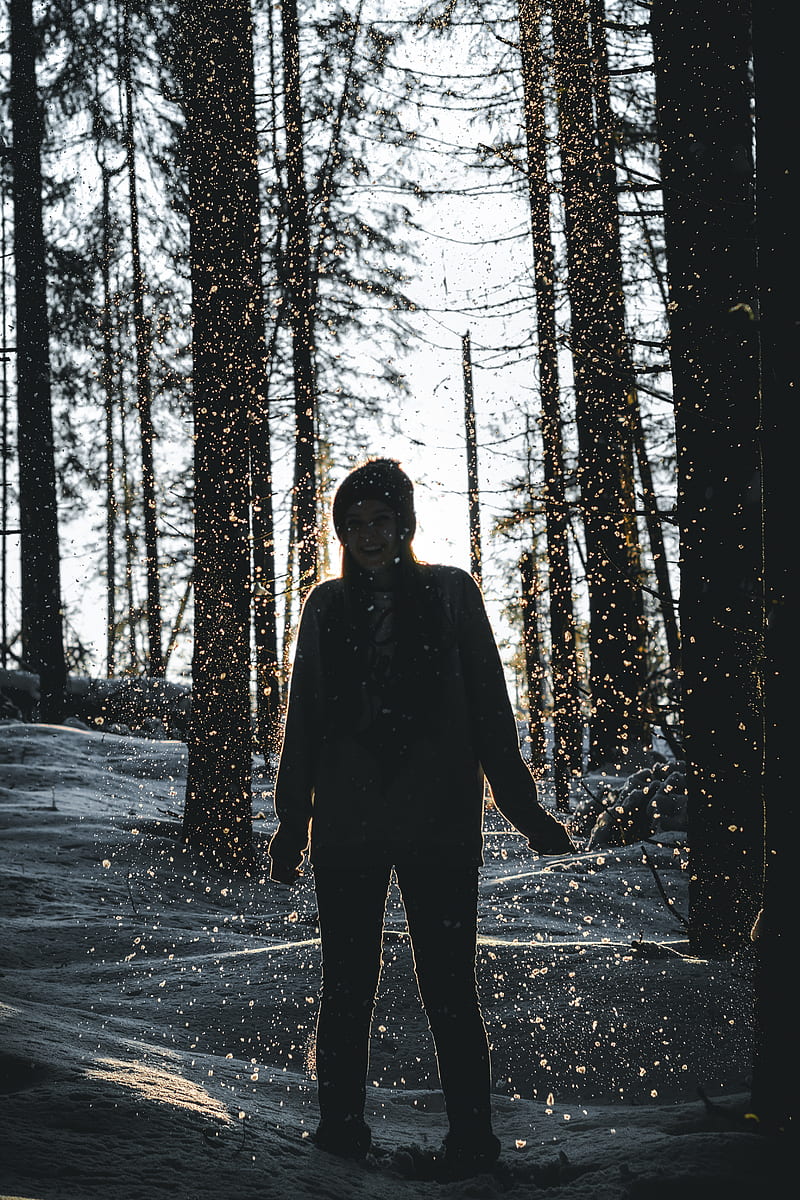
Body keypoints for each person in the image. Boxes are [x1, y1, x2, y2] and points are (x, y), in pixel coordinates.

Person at [268, 458, 573, 1180]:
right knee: (346, 981)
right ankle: (340, 1130)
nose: (368, 535)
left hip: (439, 827)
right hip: (346, 831)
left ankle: (472, 1139)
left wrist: (526, 810)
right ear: (341, 531)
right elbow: (304, 721)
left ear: (404, 523)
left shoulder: (449, 594)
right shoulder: (326, 606)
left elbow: (492, 712)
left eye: (381, 519)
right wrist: (290, 823)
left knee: (448, 983)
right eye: (354, 522)